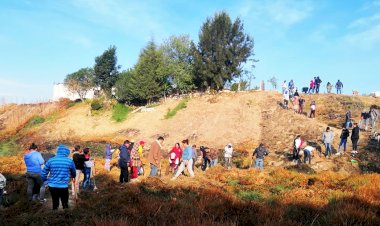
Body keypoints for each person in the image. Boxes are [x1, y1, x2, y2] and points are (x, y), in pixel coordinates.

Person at [41, 144, 76, 210]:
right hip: (63, 186)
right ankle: (65, 217)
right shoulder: (70, 161)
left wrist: (46, 182)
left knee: (55, 202)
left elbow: (43, 173)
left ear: (58, 152)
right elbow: (73, 172)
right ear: (66, 152)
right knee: (65, 203)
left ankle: (55, 216)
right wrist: (73, 176)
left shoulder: (51, 160)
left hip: (52, 186)